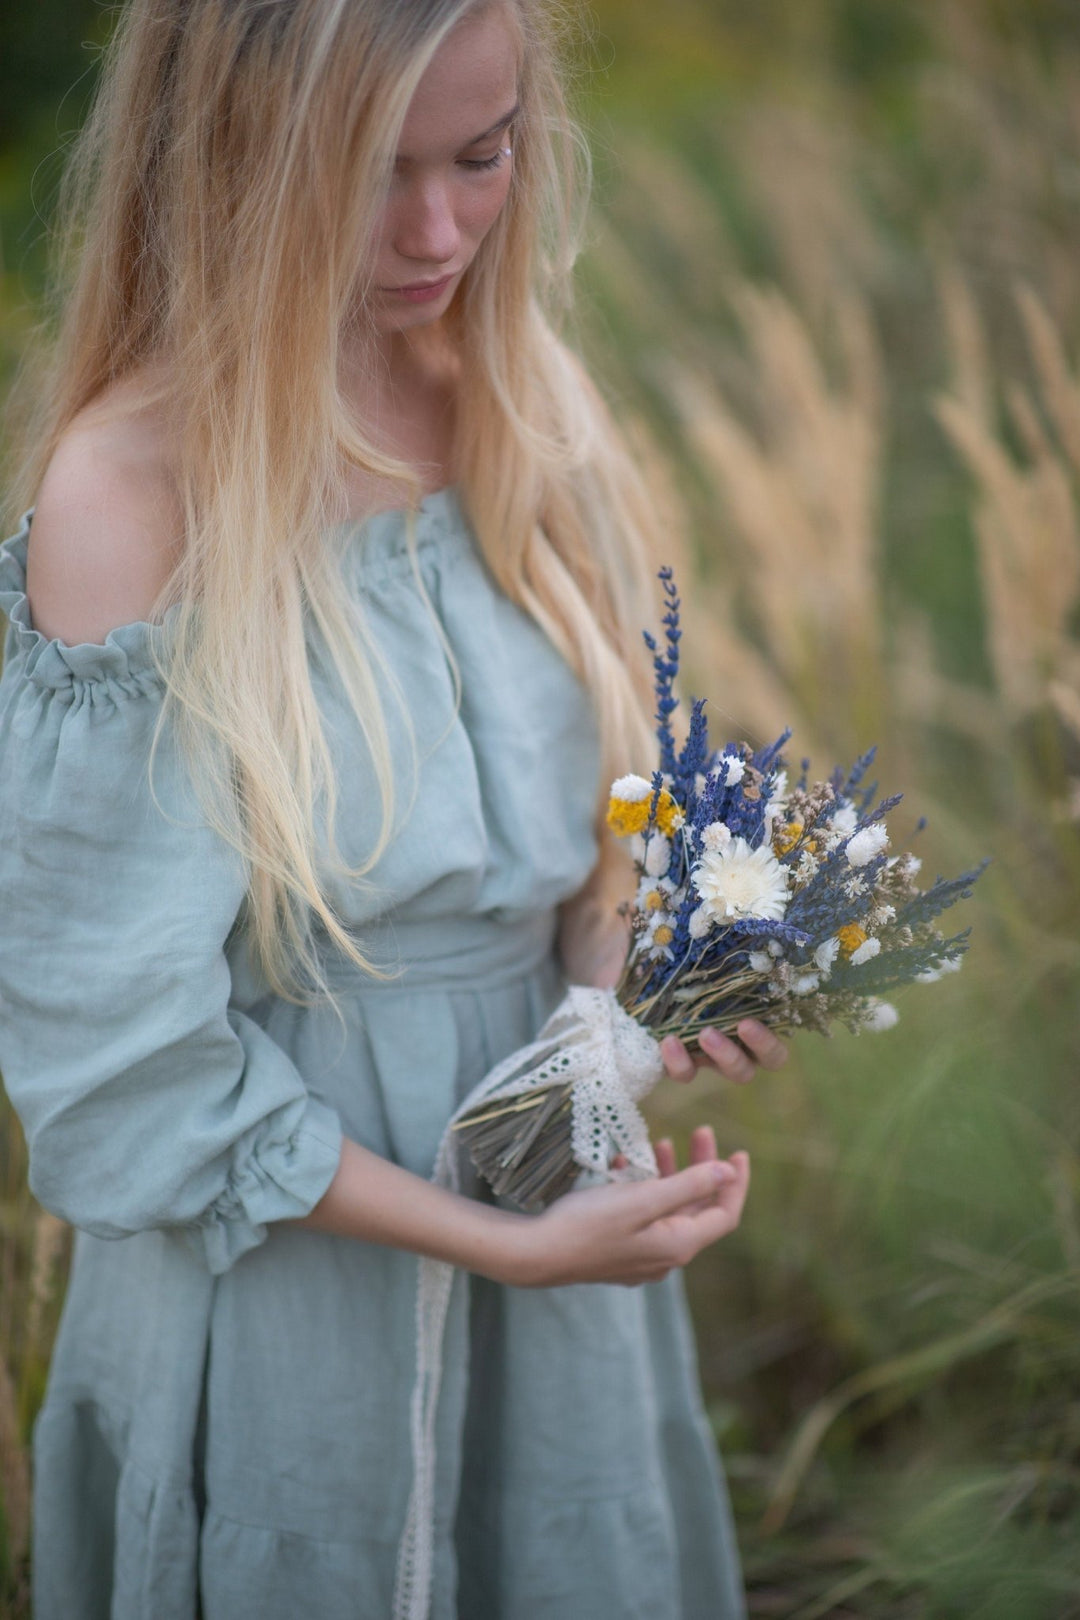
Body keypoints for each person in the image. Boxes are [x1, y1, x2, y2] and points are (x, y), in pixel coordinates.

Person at [0, 2, 789, 1616]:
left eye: (481, 157)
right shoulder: (132, 491)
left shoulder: (516, 390)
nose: (439, 233)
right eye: (373, 174)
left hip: (568, 1244)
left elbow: (604, 816)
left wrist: (625, 997)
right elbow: (120, 1072)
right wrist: (498, 1243)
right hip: (296, 1297)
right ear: (222, 157)